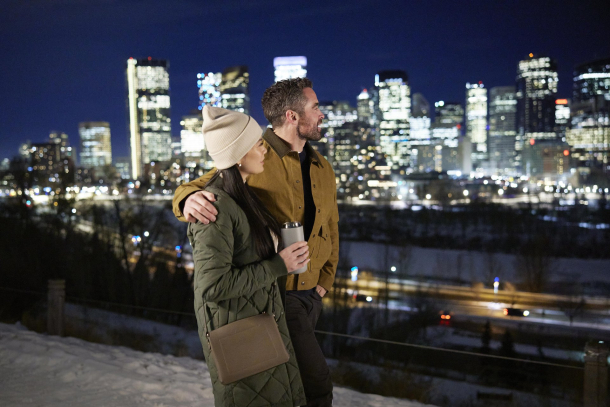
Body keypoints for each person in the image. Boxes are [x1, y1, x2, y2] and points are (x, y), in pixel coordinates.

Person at [174, 78, 338, 407]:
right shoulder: (255, 154)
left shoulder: (323, 167)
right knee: (316, 384)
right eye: (315, 107)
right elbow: (208, 182)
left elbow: (330, 228)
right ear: (292, 116)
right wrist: (186, 199)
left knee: (296, 387)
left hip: (310, 296)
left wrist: (325, 283)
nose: (322, 114)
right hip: (277, 294)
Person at [189, 105, 307, 407]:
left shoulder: (242, 197)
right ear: (239, 154)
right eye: (257, 143)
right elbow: (213, 287)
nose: (264, 150)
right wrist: (279, 265)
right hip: (241, 341)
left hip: (259, 329)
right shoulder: (215, 209)